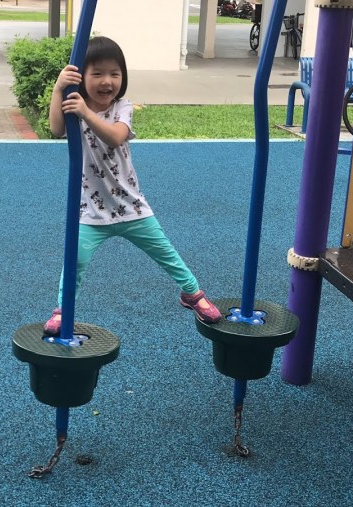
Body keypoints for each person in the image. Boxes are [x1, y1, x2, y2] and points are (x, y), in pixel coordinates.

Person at [43, 36, 222, 336]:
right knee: (73, 263)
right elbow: (55, 128)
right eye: (97, 73)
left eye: (114, 73)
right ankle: (63, 310)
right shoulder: (74, 106)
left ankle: (192, 292)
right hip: (91, 211)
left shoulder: (122, 107)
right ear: (82, 77)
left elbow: (115, 136)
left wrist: (86, 113)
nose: (107, 81)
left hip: (131, 206)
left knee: (165, 251)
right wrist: (59, 89)